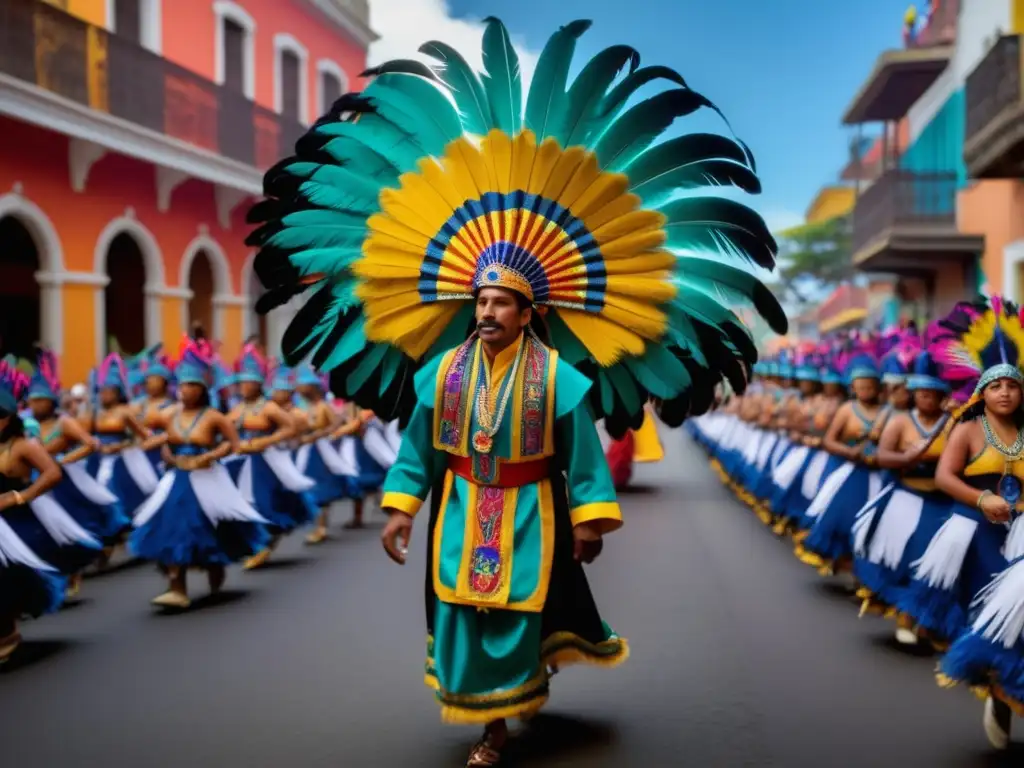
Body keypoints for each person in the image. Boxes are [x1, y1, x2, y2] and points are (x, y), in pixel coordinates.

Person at [248, 16, 784, 765]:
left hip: (532, 506)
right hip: (461, 506)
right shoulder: (440, 372)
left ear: (531, 309)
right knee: (467, 614)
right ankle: (491, 724)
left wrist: (590, 519)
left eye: (500, 303)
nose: (486, 311)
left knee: (517, 611)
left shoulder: (561, 378)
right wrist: (402, 508)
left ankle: (510, 705)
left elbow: (583, 458)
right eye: (479, 301)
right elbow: (417, 449)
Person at [129, 337, 269, 608]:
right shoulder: (168, 414)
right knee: (171, 525)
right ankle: (176, 586)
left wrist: (210, 456)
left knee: (210, 526)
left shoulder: (215, 416)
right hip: (177, 478)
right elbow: (156, 437)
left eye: (191, 385)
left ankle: (215, 566)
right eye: (182, 385)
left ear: (203, 388)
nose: (185, 390)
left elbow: (234, 444)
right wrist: (165, 451)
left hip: (208, 477)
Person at [0, 359, 66, 662]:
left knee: (11, 577)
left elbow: (53, 472)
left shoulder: (23, 446)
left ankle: (8, 630)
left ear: (11, 416)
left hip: (16, 521)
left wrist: (20, 496)